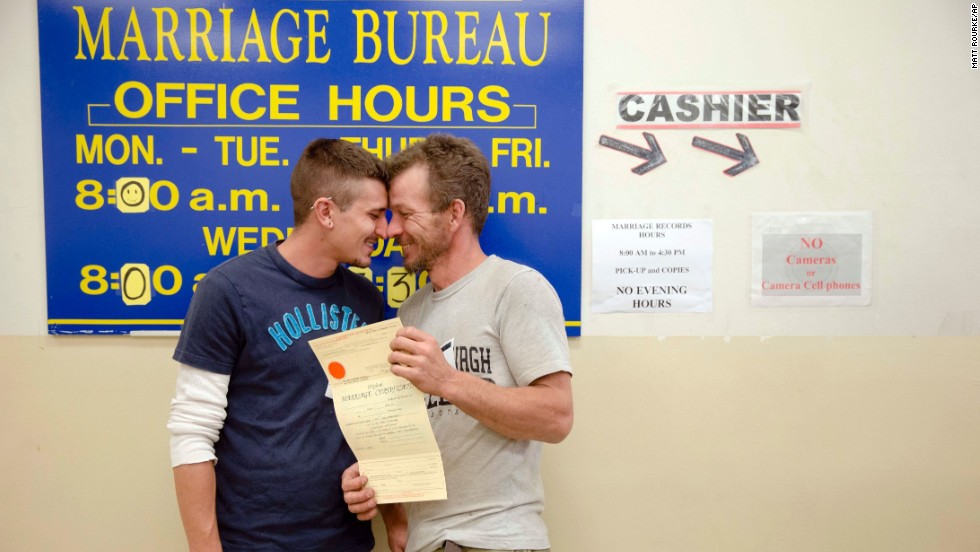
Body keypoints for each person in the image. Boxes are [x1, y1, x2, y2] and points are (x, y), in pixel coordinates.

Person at [341, 134, 574, 552]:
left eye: (405, 215)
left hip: (498, 540)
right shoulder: (409, 313)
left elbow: (556, 417)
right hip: (426, 542)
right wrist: (373, 484)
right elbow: (407, 438)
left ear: (454, 214)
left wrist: (447, 381)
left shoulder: (516, 289)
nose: (391, 230)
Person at [167, 138, 393, 551]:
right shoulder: (228, 290)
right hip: (252, 542)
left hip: (346, 542)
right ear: (325, 212)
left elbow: (375, 419)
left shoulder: (367, 300)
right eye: (374, 215)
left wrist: (369, 476)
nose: (385, 231)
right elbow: (191, 434)